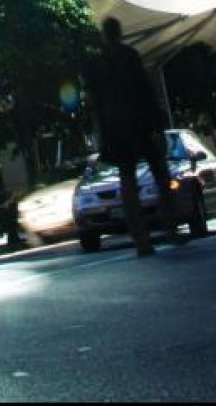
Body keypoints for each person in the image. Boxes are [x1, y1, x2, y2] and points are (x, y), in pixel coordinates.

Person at [84, 16, 185, 257]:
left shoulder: (97, 63)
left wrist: (101, 131)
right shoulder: (129, 55)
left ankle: (141, 239)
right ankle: (170, 227)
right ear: (119, 32)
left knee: (127, 180)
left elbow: (95, 101)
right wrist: (157, 125)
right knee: (159, 172)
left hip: (116, 128)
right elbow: (144, 90)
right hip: (139, 122)